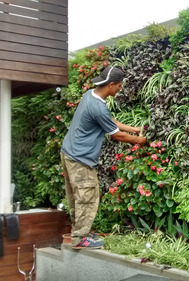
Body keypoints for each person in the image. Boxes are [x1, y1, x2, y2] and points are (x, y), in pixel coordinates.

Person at [60, 66, 147, 249]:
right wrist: (140, 140)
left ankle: (80, 230)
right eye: (120, 86)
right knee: (88, 196)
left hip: (69, 153)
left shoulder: (90, 95)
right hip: (80, 158)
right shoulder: (97, 106)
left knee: (78, 196)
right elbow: (117, 135)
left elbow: (108, 121)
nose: (120, 89)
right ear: (111, 84)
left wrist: (133, 129)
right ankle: (80, 238)